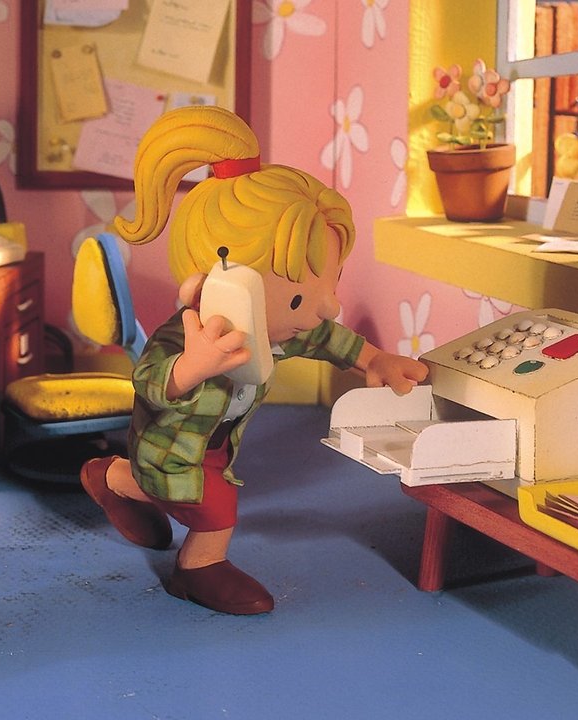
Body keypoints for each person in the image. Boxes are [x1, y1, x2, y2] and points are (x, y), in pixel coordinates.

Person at [79, 106, 428, 616]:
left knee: (188, 491)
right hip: (171, 449)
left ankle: (110, 478)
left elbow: (325, 337)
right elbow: (149, 381)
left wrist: (376, 359)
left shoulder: (275, 332)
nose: (327, 306)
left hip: (214, 445)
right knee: (215, 505)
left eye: (331, 283)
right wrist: (192, 367)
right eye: (298, 298)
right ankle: (197, 568)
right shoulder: (189, 335)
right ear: (214, 288)